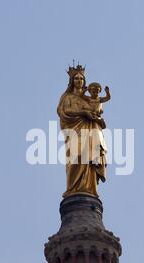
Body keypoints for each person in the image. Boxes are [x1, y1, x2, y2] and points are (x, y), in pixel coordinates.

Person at [57, 65, 107, 198]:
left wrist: (97, 117)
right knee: (76, 156)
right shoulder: (67, 97)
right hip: (74, 130)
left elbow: (97, 110)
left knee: (90, 158)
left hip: (91, 130)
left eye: (81, 79)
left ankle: (89, 188)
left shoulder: (89, 98)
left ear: (84, 82)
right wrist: (83, 112)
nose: (79, 81)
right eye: (76, 78)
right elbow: (64, 111)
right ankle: (72, 188)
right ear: (72, 81)